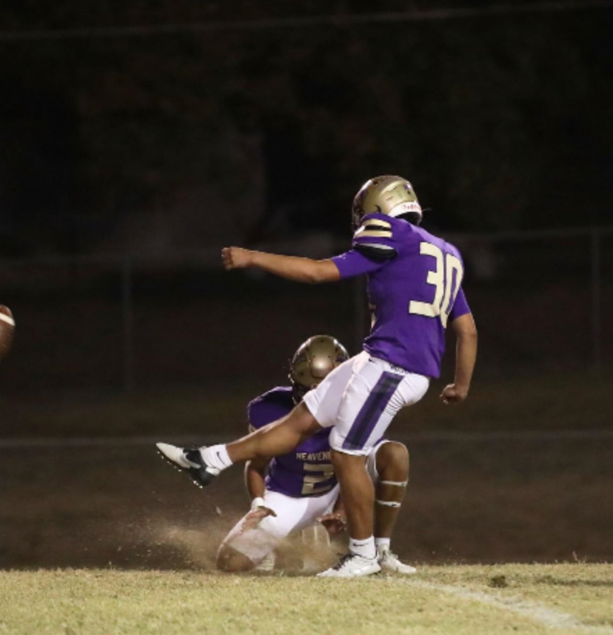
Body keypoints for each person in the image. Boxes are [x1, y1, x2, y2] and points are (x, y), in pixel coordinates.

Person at [157, 175, 477, 577]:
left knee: (346, 453)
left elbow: (317, 272)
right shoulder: (445, 252)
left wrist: (253, 257)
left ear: (377, 209)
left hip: (396, 364)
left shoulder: (390, 231)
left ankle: (363, 557)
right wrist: (460, 384)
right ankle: (209, 459)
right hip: (382, 358)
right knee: (304, 417)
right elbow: (466, 329)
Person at [195, 335, 416, 574]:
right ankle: (283, 540)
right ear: (293, 381)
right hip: (288, 496)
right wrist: (258, 503)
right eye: (305, 389)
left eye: (323, 389)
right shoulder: (267, 408)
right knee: (230, 562)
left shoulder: (357, 402)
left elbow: (357, 460)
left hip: (335, 487)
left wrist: (342, 508)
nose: (313, 396)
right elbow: (256, 464)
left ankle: (381, 550)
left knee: (394, 454)